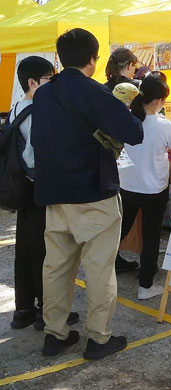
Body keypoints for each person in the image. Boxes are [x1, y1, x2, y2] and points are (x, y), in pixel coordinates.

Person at [32, 28, 144, 359]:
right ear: (93, 60)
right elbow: (133, 133)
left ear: (61, 57)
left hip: (54, 193)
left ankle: (55, 333)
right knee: (98, 269)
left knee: (56, 266)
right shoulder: (96, 93)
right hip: (94, 193)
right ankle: (99, 338)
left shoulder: (43, 95)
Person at [8, 57, 80, 332]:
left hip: (21, 188)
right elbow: (38, 155)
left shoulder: (17, 109)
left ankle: (24, 309)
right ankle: (46, 312)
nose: (53, 83)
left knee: (25, 250)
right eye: (49, 79)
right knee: (47, 252)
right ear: (33, 82)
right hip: (39, 188)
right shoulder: (38, 112)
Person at [117, 76, 171, 300]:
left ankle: (103, 271)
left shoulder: (126, 118)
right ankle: (146, 286)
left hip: (126, 185)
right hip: (154, 189)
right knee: (151, 237)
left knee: (119, 230)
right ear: (158, 101)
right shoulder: (162, 124)